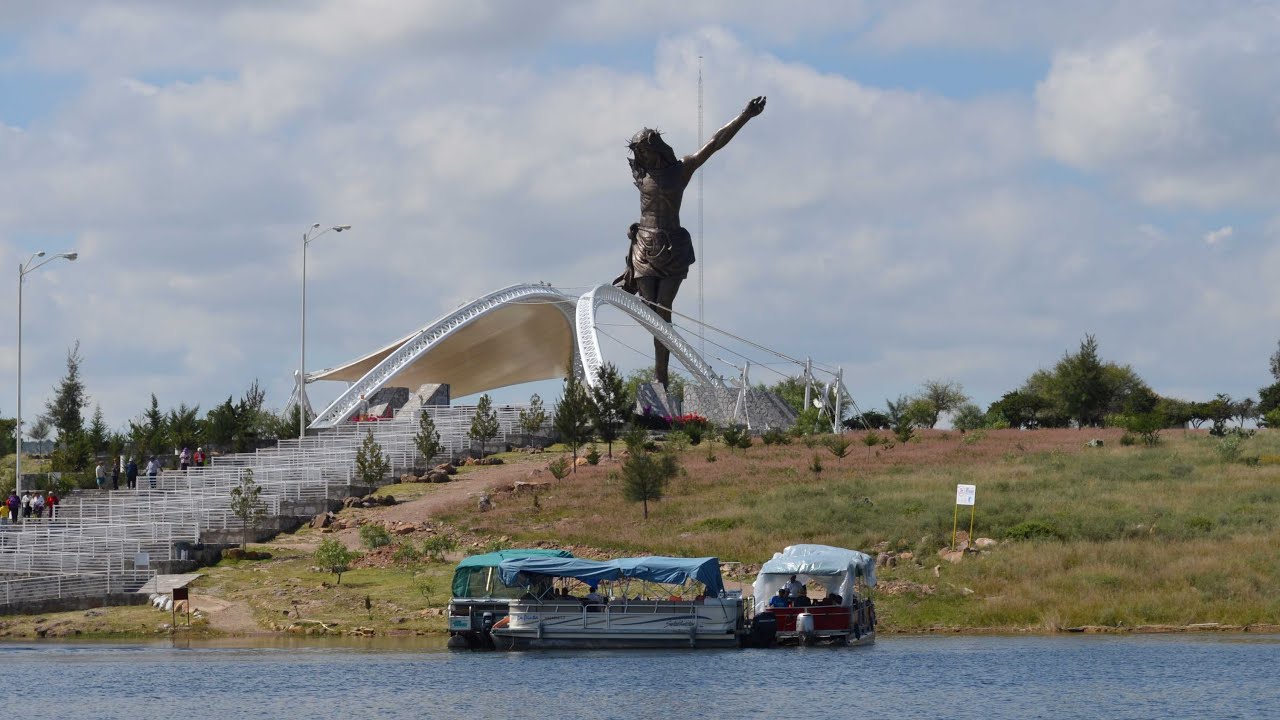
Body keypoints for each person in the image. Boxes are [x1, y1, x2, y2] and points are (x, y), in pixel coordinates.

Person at [613, 95, 767, 388]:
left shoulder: (680, 169)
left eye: (644, 149)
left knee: (664, 309)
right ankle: (661, 376)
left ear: (654, 147)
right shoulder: (641, 174)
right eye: (638, 151)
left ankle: (661, 378)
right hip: (644, 247)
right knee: (651, 311)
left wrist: (745, 115)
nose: (641, 155)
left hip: (672, 246)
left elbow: (714, 142)